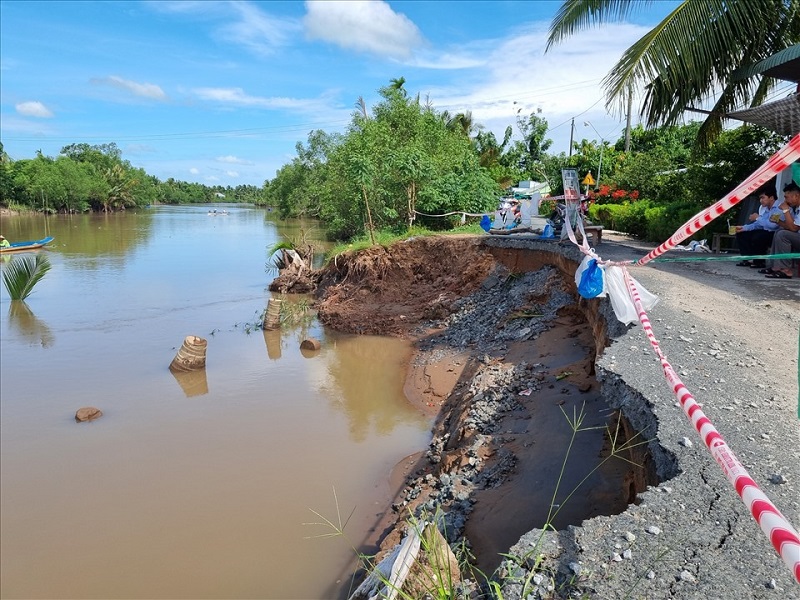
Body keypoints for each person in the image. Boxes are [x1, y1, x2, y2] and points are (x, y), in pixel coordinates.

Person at [734, 184, 781, 268]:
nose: (761, 200)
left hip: (777, 233)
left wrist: (758, 218)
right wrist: (743, 228)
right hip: (766, 231)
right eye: (760, 198)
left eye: (763, 197)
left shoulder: (779, 208)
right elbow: (758, 224)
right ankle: (747, 259)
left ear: (771, 197)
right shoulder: (766, 209)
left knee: (759, 237)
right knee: (742, 234)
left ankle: (759, 261)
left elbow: (773, 226)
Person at [764, 182, 800, 279]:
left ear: (796, 196)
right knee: (778, 232)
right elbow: (792, 227)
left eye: (787, 197)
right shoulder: (797, 208)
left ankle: (786, 270)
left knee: (782, 234)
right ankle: (775, 267)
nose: (785, 200)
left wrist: (786, 210)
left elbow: (793, 228)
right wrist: (779, 222)